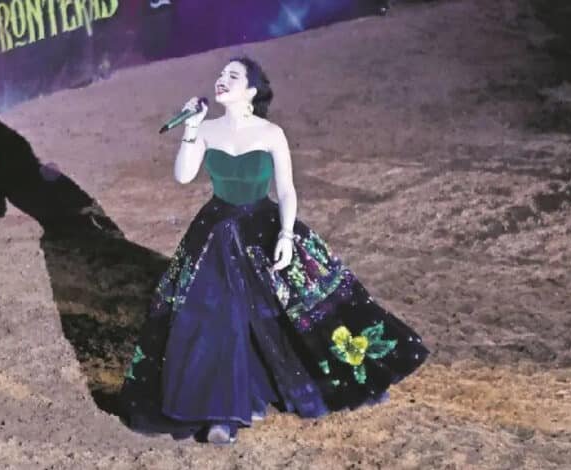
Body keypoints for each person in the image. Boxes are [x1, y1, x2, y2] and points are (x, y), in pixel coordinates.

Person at [118, 56, 428, 444]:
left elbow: (287, 190)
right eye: (220, 75)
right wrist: (192, 126)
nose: (221, 80)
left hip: (262, 226)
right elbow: (183, 176)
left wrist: (285, 235)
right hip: (214, 229)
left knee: (289, 308)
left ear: (250, 91)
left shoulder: (270, 134)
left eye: (232, 76)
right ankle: (221, 415)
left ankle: (300, 384)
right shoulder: (207, 128)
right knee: (214, 315)